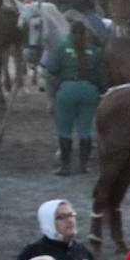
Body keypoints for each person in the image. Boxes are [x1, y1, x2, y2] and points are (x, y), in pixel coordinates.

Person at [42, 21, 109, 177]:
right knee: (85, 130)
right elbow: (103, 77)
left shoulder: (60, 48)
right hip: (89, 91)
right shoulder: (95, 51)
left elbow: (50, 69)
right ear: (85, 35)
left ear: (70, 33)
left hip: (67, 90)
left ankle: (66, 166)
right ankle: (83, 166)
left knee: (64, 130)